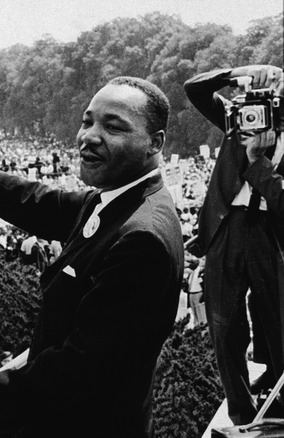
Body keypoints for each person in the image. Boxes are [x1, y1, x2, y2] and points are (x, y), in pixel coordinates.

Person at [0, 75, 184, 437]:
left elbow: (82, 364)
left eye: (113, 127)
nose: (89, 135)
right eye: (87, 121)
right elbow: (33, 202)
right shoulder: (115, 201)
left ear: (155, 143)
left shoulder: (142, 237)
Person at [184, 64, 284, 424]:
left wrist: (258, 160)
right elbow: (194, 88)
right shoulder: (238, 116)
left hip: (269, 232)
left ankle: (277, 400)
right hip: (226, 227)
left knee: (277, 321)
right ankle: (241, 409)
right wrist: (239, 73)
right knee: (224, 326)